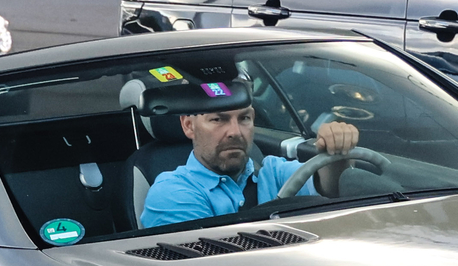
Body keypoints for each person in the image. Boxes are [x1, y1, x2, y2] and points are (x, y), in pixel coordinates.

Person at [139, 79, 358, 228]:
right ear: (188, 126)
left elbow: (329, 189)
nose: (235, 132)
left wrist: (336, 152)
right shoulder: (172, 192)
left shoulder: (272, 171)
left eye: (244, 118)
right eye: (218, 119)